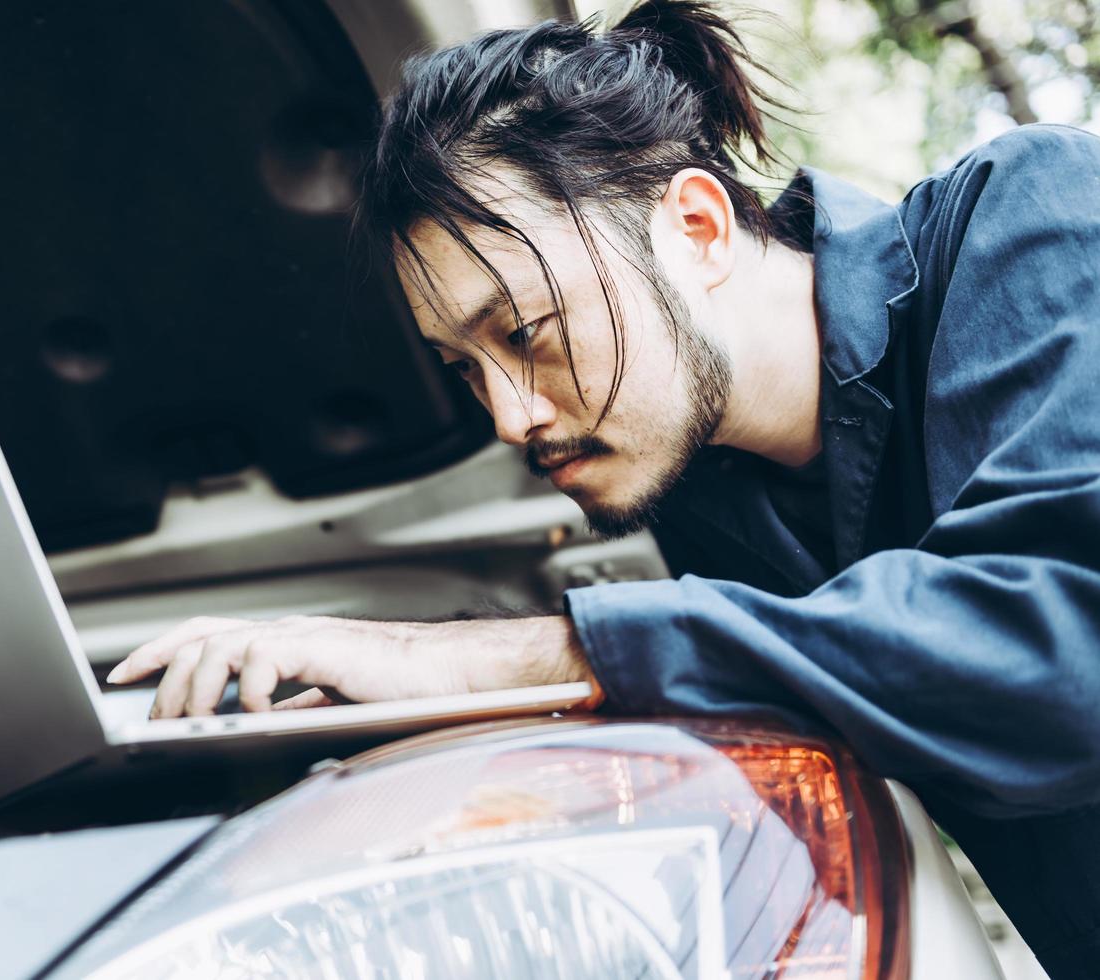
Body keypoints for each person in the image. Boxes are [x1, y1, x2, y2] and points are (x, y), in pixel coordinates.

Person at [107, 2, 1100, 972]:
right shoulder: (698, 503)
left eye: (525, 332)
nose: (508, 416)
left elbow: (1058, 651)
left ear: (697, 228)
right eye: (461, 366)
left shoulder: (1035, 211)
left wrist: (481, 660)